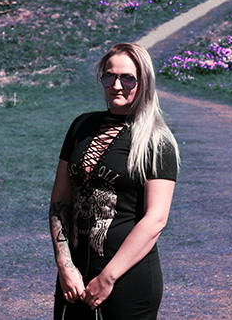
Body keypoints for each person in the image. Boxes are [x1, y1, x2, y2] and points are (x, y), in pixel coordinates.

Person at [49, 43, 179, 320]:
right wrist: (64, 265)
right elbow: (60, 201)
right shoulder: (81, 126)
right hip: (74, 279)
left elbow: (156, 220)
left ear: (144, 82)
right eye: (109, 77)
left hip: (127, 279)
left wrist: (107, 278)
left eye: (127, 78)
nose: (117, 86)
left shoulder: (157, 140)